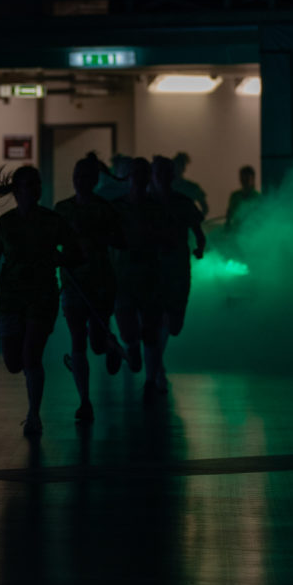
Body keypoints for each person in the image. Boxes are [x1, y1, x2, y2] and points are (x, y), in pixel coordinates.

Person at [0, 165, 83, 436]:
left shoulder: (52, 221)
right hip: (10, 299)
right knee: (14, 362)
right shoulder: (5, 224)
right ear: (17, 191)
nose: (34, 190)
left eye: (37, 184)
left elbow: (76, 252)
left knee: (31, 355)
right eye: (29, 185)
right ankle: (32, 410)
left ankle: (34, 414)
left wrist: (63, 257)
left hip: (42, 295)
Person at [54, 153, 126, 422]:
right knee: (77, 338)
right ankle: (84, 400)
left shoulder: (105, 209)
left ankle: (109, 346)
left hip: (100, 283)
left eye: (86, 178)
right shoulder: (62, 209)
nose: (80, 182)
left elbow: (121, 241)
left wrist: (95, 235)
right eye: (77, 177)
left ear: (95, 180)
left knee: (96, 341)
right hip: (73, 283)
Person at [111, 158, 169, 401]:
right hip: (124, 278)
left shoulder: (155, 208)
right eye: (136, 174)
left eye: (144, 174)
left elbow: (167, 239)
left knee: (151, 332)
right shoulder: (116, 207)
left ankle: (150, 381)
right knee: (130, 334)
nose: (140, 179)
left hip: (149, 277)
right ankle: (127, 352)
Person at [150, 156, 206, 390]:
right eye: (158, 173)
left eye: (165, 173)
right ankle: (156, 366)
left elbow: (198, 230)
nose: (162, 178)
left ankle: (156, 364)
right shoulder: (147, 204)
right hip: (155, 270)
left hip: (178, 270)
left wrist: (199, 247)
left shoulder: (183, 202)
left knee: (174, 323)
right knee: (159, 318)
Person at [226, 165, 261, 235]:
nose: (244, 181)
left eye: (247, 179)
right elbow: (229, 212)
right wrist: (227, 226)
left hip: (252, 231)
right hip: (236, 230)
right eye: (242, 178)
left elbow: (261, 216)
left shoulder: (258, 197)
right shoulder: (235, 195)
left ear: (252, 179)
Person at [172, 151, 209, 217]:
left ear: (183, 168)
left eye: (178, 167)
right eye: (175, 167)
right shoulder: (164, 186)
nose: (177, 169)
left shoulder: (192, 187)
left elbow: (205, 208)